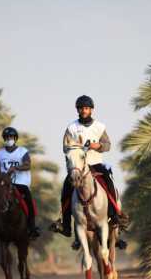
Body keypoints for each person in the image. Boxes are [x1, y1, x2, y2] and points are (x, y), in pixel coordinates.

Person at [50, 95, 128, 249]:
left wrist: (96, 145)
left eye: (86, 108)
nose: (83, 110)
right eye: (81, 108)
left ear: (91, 110)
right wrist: (75, 148)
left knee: (109, 183)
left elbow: (107, 145)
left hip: (96, 164)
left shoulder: (99, 127)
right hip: (79, 166)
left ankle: (114, 217)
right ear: (78, 110)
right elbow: (65, 147)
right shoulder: (71, 127)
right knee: (66, 187)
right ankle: (66, 225)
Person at [0, 127, 40, 240]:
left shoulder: (22, 151)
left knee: (29, 201)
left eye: (11, 137)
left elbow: (27, 165)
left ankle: (32, 228)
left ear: (15, 138)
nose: (8, 139)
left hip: (21, 183)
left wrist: (16, 167)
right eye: (6, 137)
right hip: (4, 184)